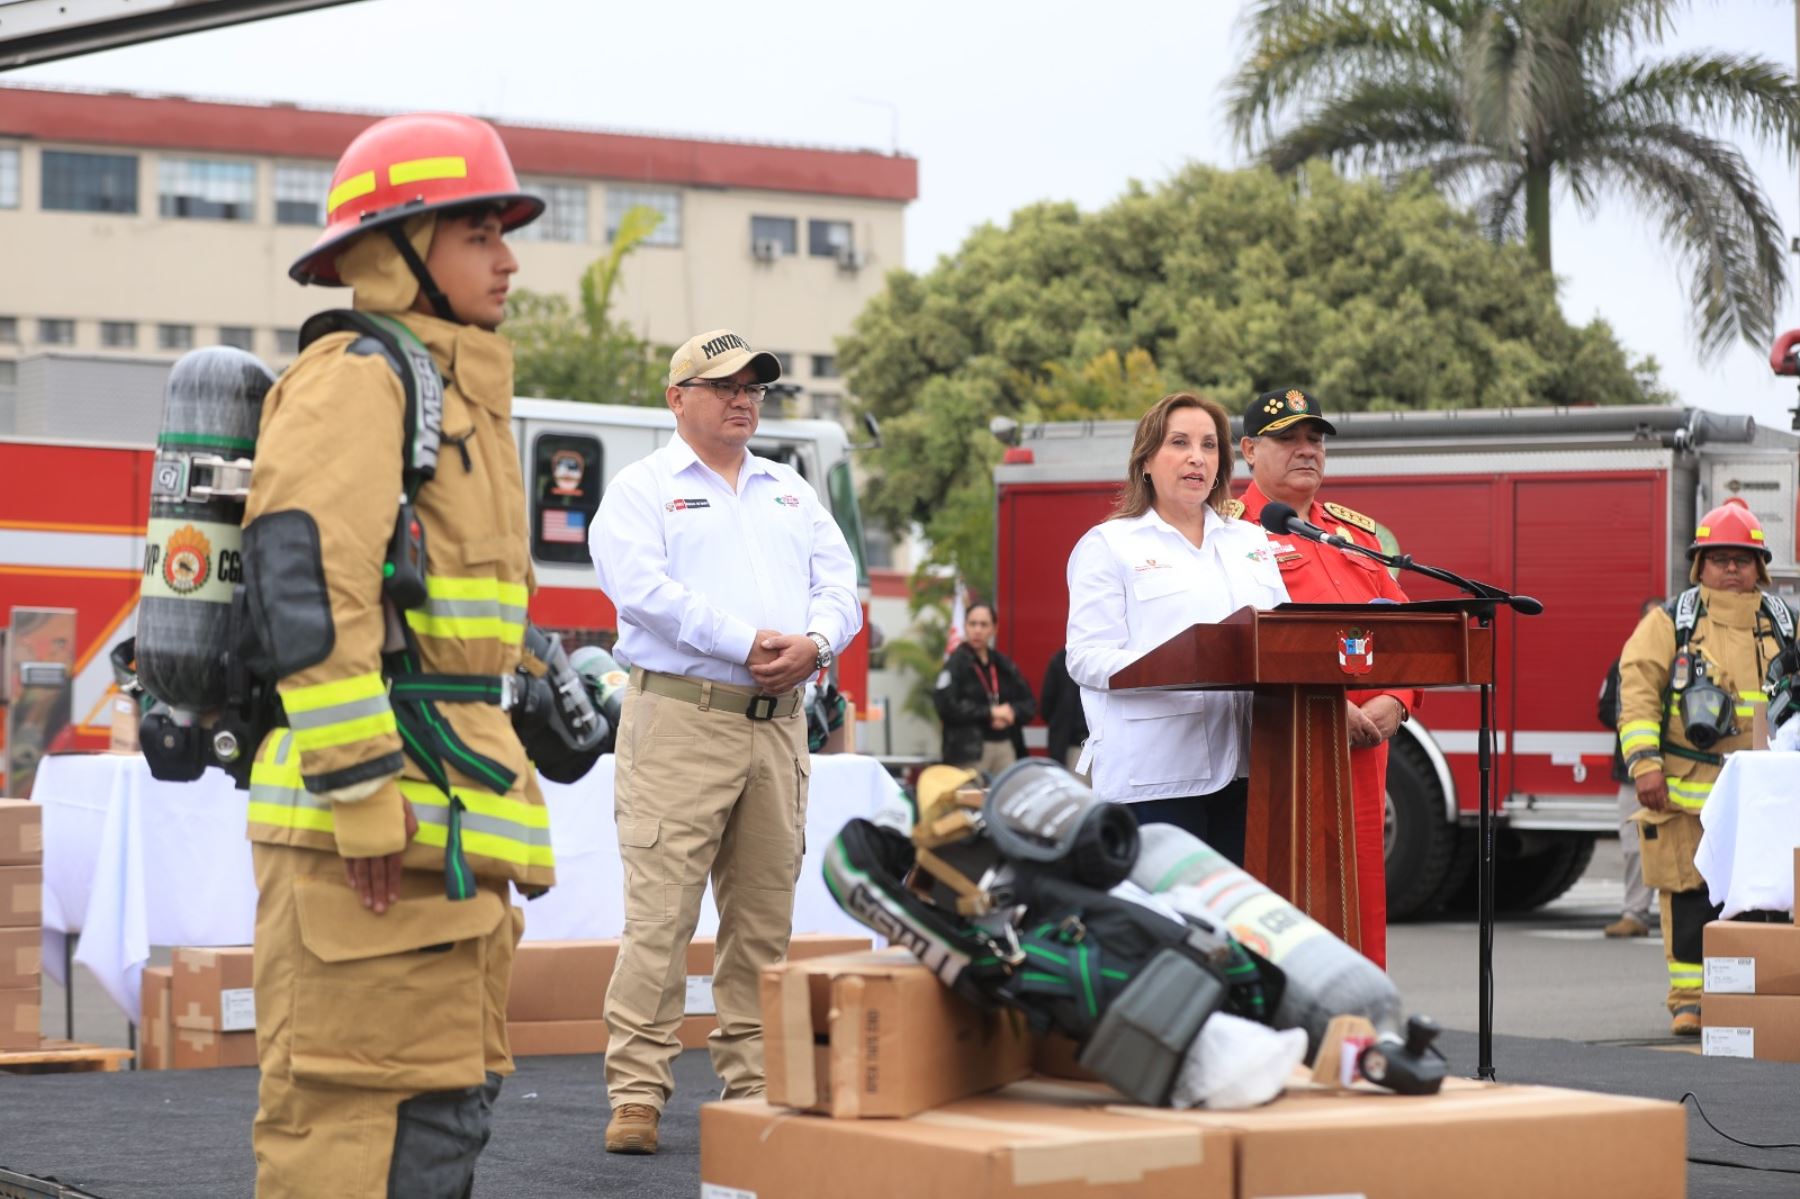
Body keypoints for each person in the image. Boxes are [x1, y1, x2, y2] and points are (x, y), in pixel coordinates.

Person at [244, 114, 552, 1196]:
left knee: (435, 1122)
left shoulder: (450, 392)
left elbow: (443, 611)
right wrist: (364, 785)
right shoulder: (357, 379)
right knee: (352, 1137)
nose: (509, 259)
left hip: (441, 831)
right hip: (372, 831)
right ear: (398, 246)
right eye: (480, 233)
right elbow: (304, 580)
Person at [589, 327, 861, 1153]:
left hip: (777, 727)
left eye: (756, 387)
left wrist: (816, 641)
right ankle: (637, 1092)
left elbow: (840, 582)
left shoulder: (788, 488)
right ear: (679, 400)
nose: (744, 398)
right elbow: (641, 592)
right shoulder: (640, 489)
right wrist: (748, 641)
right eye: (725, 385)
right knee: (660, 918)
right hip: (680, 717)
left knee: (762, 922)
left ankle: (752, 1083)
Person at [1064, 392, 1288, 866]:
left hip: (1252, 771)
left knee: (1236, 928)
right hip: (1156, 776)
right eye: (1179, 443)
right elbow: (1085, 656)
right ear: (1146, 461)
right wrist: (1176, 662)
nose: (1196, 457)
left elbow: (1281, 634)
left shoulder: (1249, 540)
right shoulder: (1110, 545)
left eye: (1210, 446)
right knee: (1169, 926)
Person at [1235, 387, 1416, 971]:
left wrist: (1399, 699)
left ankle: (1360, 1037)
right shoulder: (1229, 535)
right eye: (1287, 438)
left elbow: (1408, 632)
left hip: (1364, 755)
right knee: (1287, 909)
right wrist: (1318, 706)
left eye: (1314, 438)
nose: (1306, 449)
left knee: (1360, 910)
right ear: (1247, 451)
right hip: (1282, 756)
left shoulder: (1355, 536)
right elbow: (1237, 647)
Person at [1618, 499, 1795, 1036]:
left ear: (1760, 566)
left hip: (1764, 798)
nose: (1732, 568)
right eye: (1719, 558)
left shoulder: (1783, 624)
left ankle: (1750, 997)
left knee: (1761, 897)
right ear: (1700, 566)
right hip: (1684, 788)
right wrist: (1644, 763)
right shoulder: (1669, 623)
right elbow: (1639, 693)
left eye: (1743, 558)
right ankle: (1689, 1001)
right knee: (1689, 892)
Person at [1598, 597, 1666, 939]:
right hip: (1631, 771)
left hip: (1677, 770)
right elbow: (1605, 707)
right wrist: (1638, 721)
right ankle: (1635, 913)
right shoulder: (1623, 663)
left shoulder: (1683, 663)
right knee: (1633, 846)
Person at [933, 602, 1036, 774]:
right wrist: (990, 713)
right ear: (965, 626)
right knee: (971, 800)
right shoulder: (955, 664)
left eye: (984, 624)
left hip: (1005, 747)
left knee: (1006, 799)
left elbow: (1030, 704)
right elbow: (946, 706)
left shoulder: (1004, 665)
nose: (977, 630)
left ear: (994, 629)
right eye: (973, 624)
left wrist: (1010, 713)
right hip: (968, 752)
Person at [1039, 646, 1089, 772]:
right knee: (1080, 790)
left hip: (1089, 744)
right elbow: (1046, 708)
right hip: (1077, 745)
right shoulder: (1060, 661)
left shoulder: (1061, 659)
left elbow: (1047, 708)